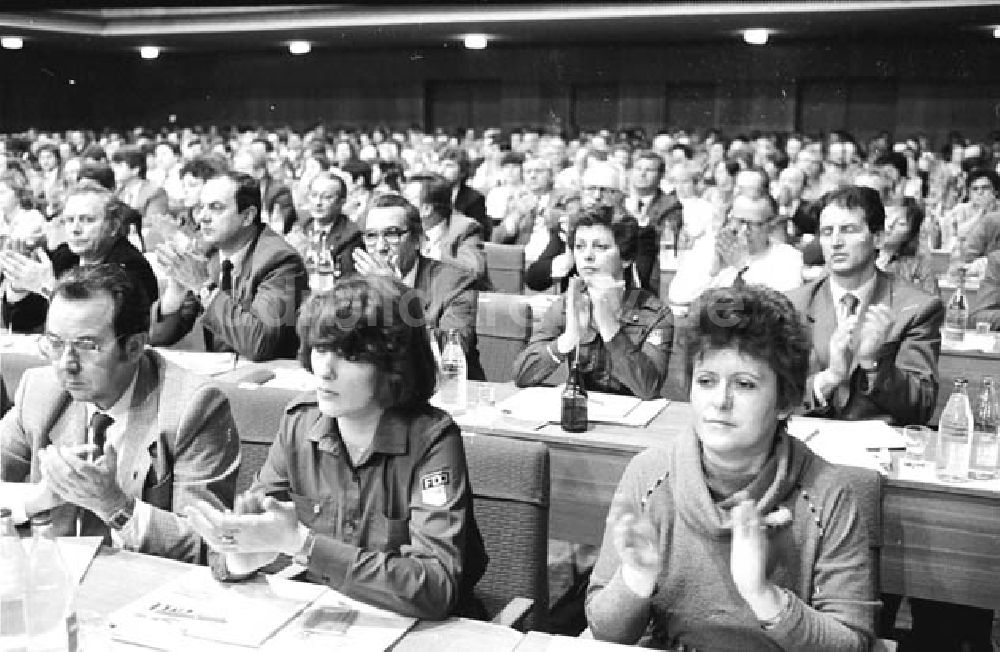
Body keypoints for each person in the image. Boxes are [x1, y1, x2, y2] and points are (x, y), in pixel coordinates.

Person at [586, 285, 877, 650]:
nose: (719, 402)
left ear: (785, 400)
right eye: (706, 381)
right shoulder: (648, 475)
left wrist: (764, 597)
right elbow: (604, 632)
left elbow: (853, 643)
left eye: (744, 384)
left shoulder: (828, 493)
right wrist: (636, 579)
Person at [186, 275, 488, 620]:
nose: (325, 370)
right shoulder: (300, 423)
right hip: (326, 620)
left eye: (350, 355)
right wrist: (243, 553)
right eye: (320, 348)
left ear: (394, 368)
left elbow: (436, 587)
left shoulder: (432, 440)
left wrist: (302, 545)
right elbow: (251, 534)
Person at [0, 264, 239, 563]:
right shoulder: (39, 390)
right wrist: (34, 501)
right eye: (55, 343)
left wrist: (115, 506)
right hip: (56, 578)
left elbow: (211, 546)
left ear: (135, 346)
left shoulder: (193, 407)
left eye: (87, 346)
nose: (66, 364)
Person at [787, 185, 943, 426]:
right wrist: (829, 379)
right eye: (827, 232)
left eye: (848, 230)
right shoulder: (793, 304)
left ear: (878, 238)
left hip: (880, 452)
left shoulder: (917, 308)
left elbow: (920, 407)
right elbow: (774, 396)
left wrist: (874, 364)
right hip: (805, 443)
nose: (835, 242)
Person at [512, 206, 672, 400]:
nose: (587, 256)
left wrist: (609, 327)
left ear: (626, 258)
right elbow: (522, 375)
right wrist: (568, 338)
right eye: (579, 247)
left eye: (600, 247)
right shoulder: (567, 304)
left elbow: (648, 388)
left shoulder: (656, 314)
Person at [150, 171, 307, 361]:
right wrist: (176, 291)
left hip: (270, 379)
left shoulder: (280, 260)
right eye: (202, 207)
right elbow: (158, 336)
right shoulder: (207, 251)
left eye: (216, 208)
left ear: (248, 216)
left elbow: (260, 343)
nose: (202, 218)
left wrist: (202, 285)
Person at [353, 193, 485, 380]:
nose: (380, 247)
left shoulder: (456, 281)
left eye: (391, 234)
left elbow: (451, 351)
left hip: (443, 389)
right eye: (372, 236)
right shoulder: (357, 284)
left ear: (418, 240)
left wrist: (396, 293)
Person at [0, 185, 158, 334]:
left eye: (87, 220)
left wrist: (49, 287)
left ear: (114, 227)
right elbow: (21, 323)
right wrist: (19, 287)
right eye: (69, 220)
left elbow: (109, 327)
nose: (75, 229)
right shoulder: (65, 256)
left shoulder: (131, 266)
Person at [669, 194, 804, 307]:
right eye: (739, 221)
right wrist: (713, 272)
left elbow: (782, 307)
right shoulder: (709, 247)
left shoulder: (788, 258)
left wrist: (742, 268)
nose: (744, 230)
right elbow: (678, 296)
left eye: (753, 224)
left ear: (770, 226)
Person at [403, 172, 486, 282]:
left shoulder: (465, 229)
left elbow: (473, 270)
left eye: (406, 200)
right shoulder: (400, 229)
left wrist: (432, 256)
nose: (401, 206)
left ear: (426, 209)